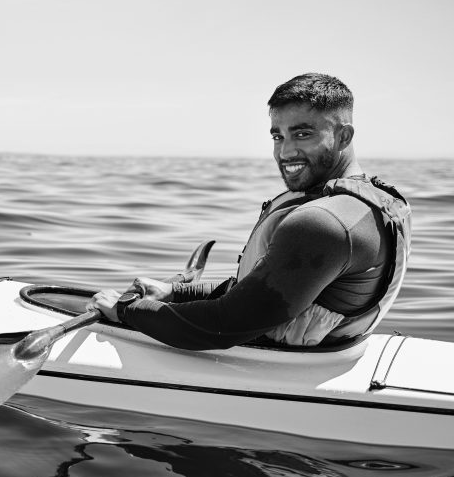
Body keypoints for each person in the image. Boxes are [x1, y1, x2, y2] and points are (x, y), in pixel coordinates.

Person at [89, 73, 411, 349]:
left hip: (277, 376)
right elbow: (264, 293)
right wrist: (174, 292)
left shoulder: (324, 222)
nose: (285, 151)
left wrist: (127, 312)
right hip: (330, 356)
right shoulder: (365, 204)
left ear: (344, 136)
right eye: (278, 136)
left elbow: (226, 324)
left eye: (303, 134)